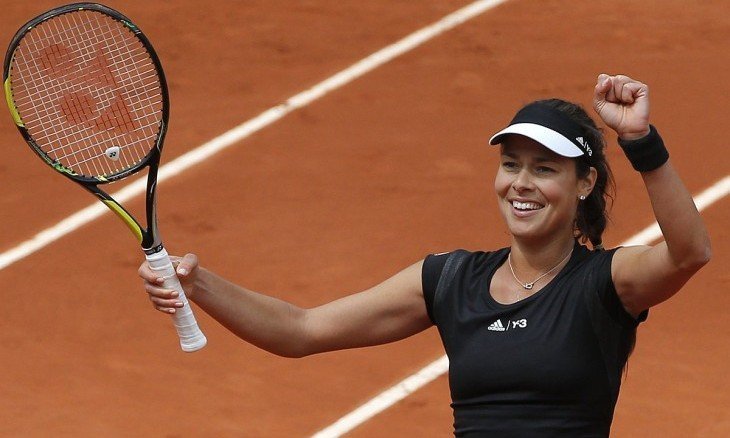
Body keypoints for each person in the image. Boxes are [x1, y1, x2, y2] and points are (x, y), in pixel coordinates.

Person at [138, 74, 710, 436]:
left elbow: (688, 253)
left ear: (584, 183)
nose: (521, 183)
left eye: (545, 169)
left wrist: (641, 142)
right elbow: (302, 330)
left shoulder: (605, 281)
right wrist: (199, 284)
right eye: (511, 164)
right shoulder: (451, 279)